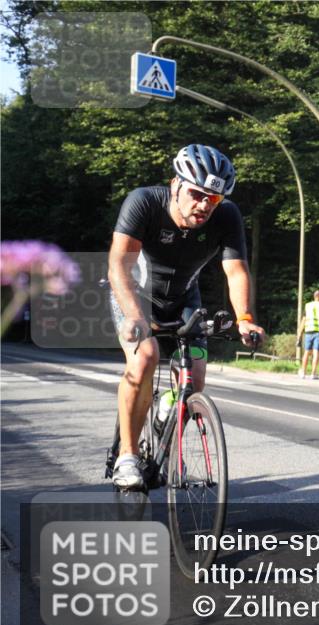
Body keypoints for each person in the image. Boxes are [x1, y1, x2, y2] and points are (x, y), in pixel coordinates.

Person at [107, 144, 266, 490]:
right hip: (135, 294)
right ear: (175, 184)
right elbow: (120, 264)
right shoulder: (144, 202)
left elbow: (236, 271)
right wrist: (135, 316)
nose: (204, 205)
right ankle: (127, 456)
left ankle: (168, 408)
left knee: (194, 374)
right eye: (197, 194)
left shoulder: (227, 216)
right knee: (145, 357)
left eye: (214, 199)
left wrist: (245, 318)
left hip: (183, 299)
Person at [297, 290, 319, 379]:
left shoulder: (308, 306)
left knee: (307, 352)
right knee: (316, 352)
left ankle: (303, 373)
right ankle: (313, 374)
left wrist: (299, 333)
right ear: (318, 296)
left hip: (308, 331)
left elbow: (303, 320)